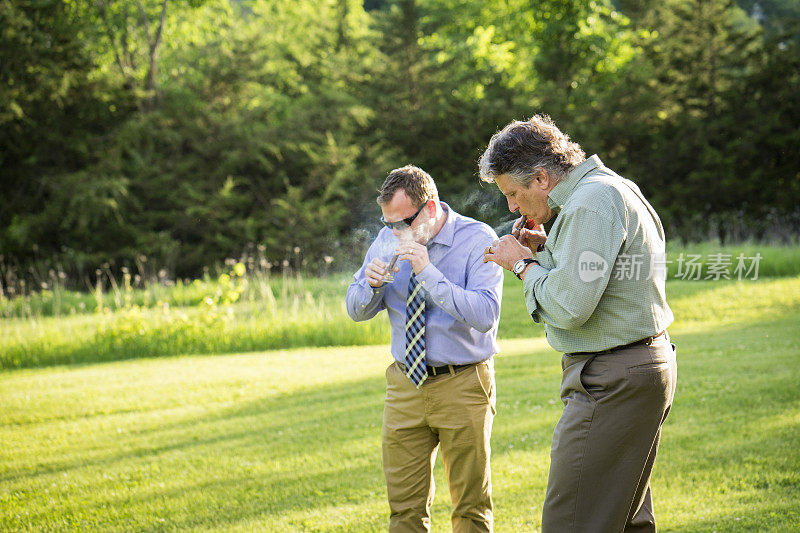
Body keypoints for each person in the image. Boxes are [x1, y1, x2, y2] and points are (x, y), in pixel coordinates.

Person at [479, 115, 677, 532]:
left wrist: (521, 264)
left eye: (513, 194)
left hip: (612, 379)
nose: (512, 207)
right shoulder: (610, 189)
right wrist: (546, 249)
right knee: (626, 521)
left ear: (541, 177)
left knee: (571, 522)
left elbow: (570, 305)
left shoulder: (591, 202)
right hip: (635, 369)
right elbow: (603, 272)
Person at [346, 165, 503, 532]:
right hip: (405, 385)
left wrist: (428, 273)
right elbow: (355, 308)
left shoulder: (476, 238)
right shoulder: (387, 240)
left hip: (463, 383)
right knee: (403, 509)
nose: (395, 233)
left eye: (402, 223)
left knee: (470, 508)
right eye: (388, 224)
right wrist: (368, 287)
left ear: (430, 208)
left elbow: (485, 314)